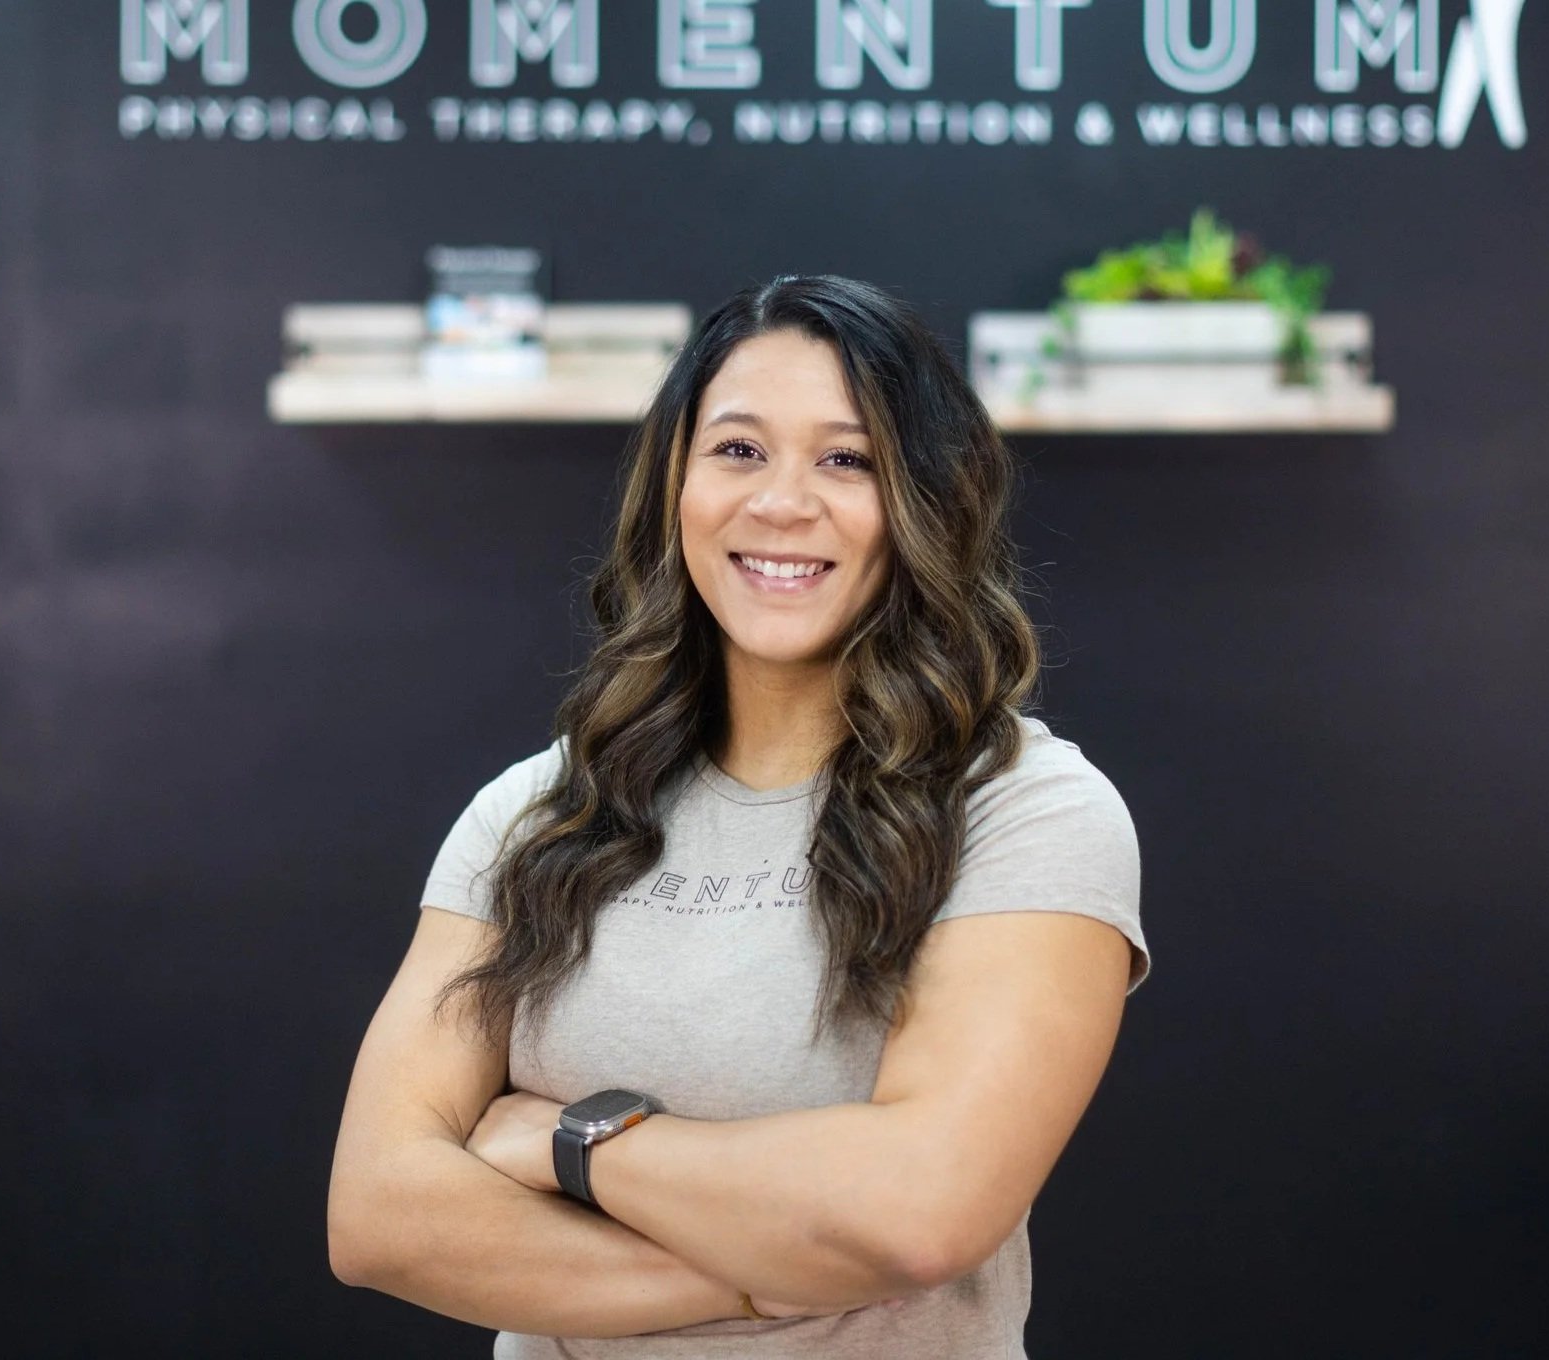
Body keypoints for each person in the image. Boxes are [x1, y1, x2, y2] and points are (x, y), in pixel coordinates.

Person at [328, 274, 1150, 1358]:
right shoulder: (536, 812)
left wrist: (575, 1144)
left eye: (847, 459)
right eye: (738, 450)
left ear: (928, 501)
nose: (781, 502)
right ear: (675, 484)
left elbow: (921, 1212)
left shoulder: (1025, 810)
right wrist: (765, 1282)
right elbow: (380, 1214)